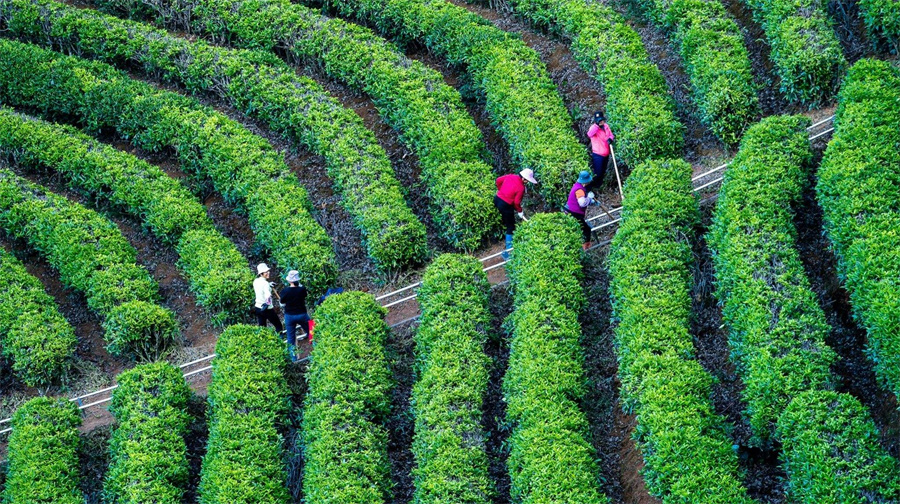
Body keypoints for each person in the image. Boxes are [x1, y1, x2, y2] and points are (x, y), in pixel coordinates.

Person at [495, 168, 538, 259]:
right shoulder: (521, 187)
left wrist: (501, 191)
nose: (527, 182)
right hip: (505, 205)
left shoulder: (510, 176)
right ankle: (508, 253)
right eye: (527, 181)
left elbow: (498, 180)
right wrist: (520, 211)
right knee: (511, 227)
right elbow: (516, 202)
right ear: (523, 178)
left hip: (497, 199)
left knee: (506, 220)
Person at [564, 171, 598, 250]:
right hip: (574, 213)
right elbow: (582, 203)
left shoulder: (577, 185)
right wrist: (589, 199)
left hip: (570, 210)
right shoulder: (579, 190)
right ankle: (585, 247)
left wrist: (592, 201)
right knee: (586, 230)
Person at [279, 270, 309, 361]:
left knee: (290, 338)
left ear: (289, 281)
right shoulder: (302, 289)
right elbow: (304, 295)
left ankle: (293, 359)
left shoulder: (285, 291)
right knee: (312, 330)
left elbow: (282, 304)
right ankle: (317, 348)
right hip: (302, 315)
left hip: (289, 316)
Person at [586, 112, 615, 192]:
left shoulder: (606, 126)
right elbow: (589, 134)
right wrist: (597, 126)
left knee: (602, 172)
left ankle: (598, 187)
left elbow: (611, 135)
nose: (601, 122)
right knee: (597, 173)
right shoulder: (594, 128)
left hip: (606, 154)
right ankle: (589, 188)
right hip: (598, 155)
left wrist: (610, 139)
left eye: (602, 120)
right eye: (599, 121)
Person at [253, 263, 283, 332]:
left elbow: (261, 287)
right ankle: (280, 340)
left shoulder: (255, 281)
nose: (268, 273)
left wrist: (269, 284)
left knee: (262, 328)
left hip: (258, 307)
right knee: (278, 326)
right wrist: (267, 303)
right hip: (267, 309)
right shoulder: (265, 284)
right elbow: (268, 296)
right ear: (261, 274)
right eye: (266, 272)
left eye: (268, 271)